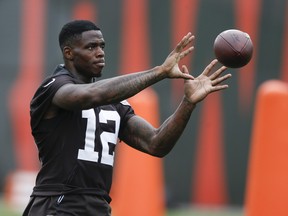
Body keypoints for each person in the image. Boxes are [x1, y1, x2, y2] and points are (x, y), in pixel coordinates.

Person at [23, 20, 231, 216]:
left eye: (102, 46)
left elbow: (156, 143)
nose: (100, 53)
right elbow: (90, 95)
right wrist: (159, 72)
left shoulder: (115, 103)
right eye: (91, 47)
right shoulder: (53, 88)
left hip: (98, 205)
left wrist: (188, 103)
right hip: (58, 202)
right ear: (69, 53)